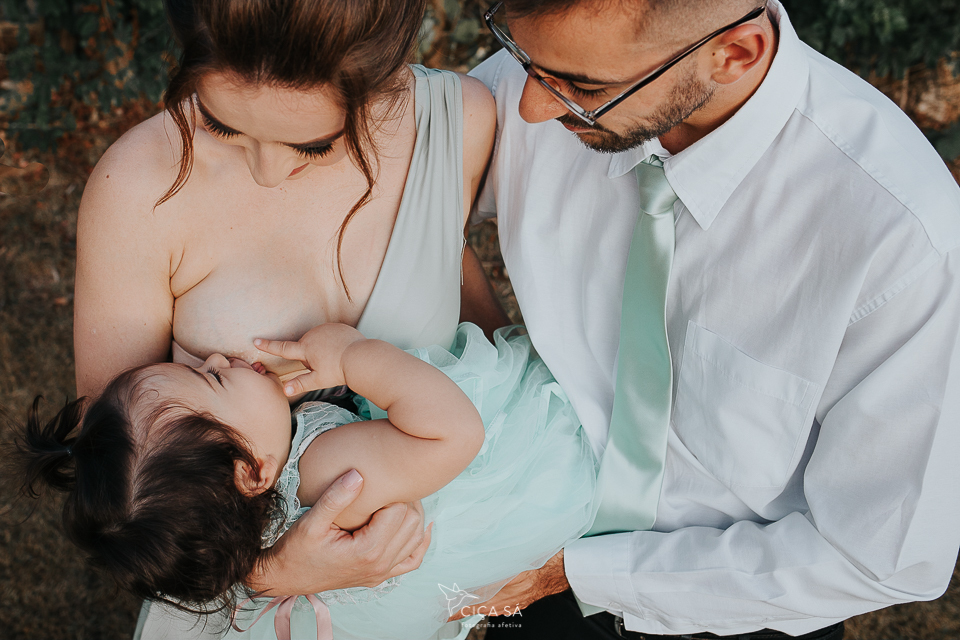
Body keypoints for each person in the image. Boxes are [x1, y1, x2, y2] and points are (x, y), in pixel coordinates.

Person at [466, 0, 960, 638]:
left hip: (742, 610)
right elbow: (395, 202)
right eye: (519, 55)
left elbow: (882, 557)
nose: (531, 107)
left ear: (734, 54)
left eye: (584, 88)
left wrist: (571, 572)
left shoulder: (903, 238)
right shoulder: (554, 65)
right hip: (528, 558)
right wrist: (493, 364)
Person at [72, 0, 508, 635]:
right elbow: (120, 476)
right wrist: (268, 571)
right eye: (222, 125)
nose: (267, 171)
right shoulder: (137, 187)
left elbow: (481, 328)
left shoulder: (457, 123)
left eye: (313, 143)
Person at [12, 322, 596, 640]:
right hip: (524, 474)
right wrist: (353, 357)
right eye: (215, 381)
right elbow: (453, 433)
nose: (214, 359)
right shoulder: (322, 470)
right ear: (253, 471)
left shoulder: (247, 528)